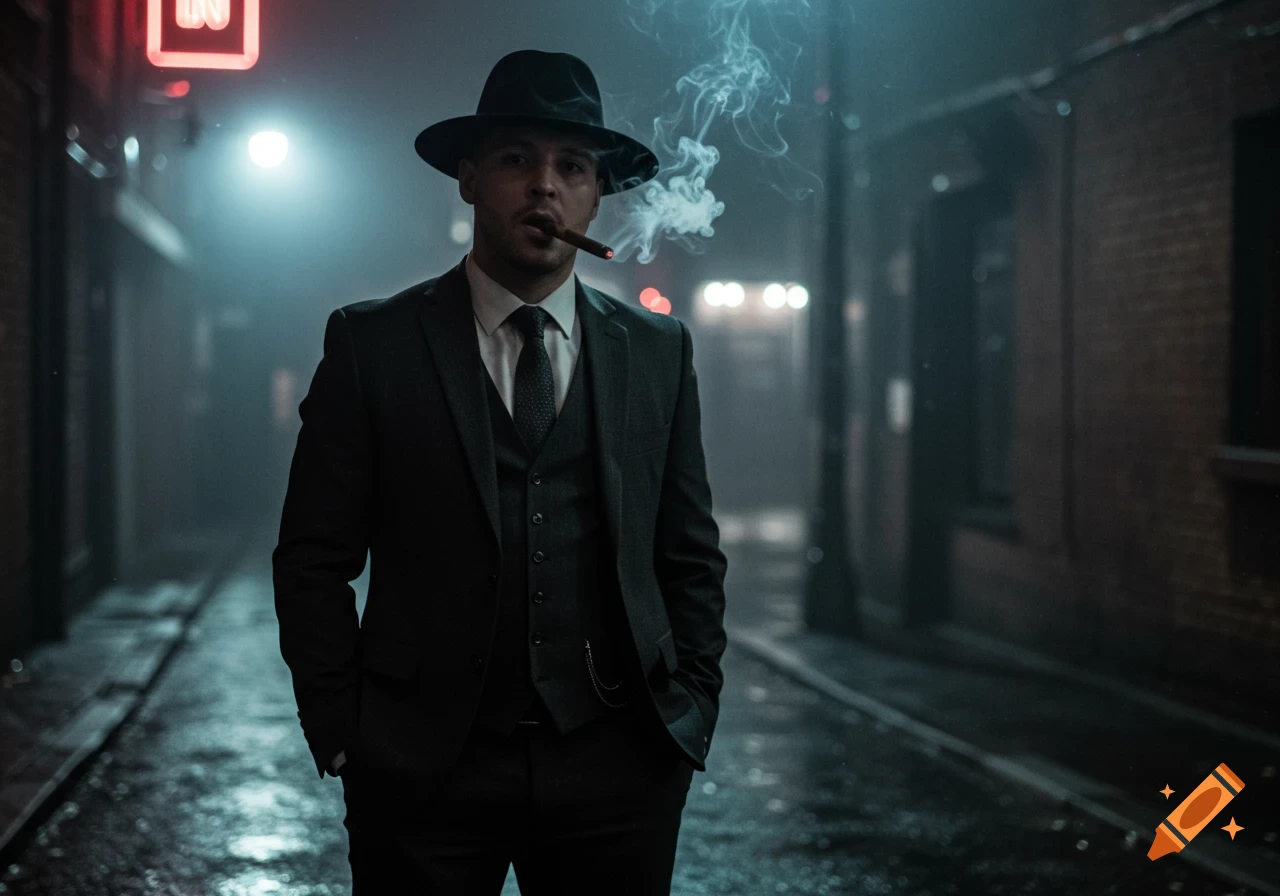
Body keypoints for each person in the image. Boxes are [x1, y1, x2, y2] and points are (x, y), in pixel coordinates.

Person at [272, 49, 728, 895]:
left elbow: (688, 550)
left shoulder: (658, 353)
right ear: (470, 179)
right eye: (517, 159)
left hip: (618, 767)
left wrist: (688, 710)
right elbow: (311, 557)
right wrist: (342, 729)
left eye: (572, 166)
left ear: (599, 195)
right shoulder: (375, 347)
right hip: (422, 771)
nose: (544, 186)